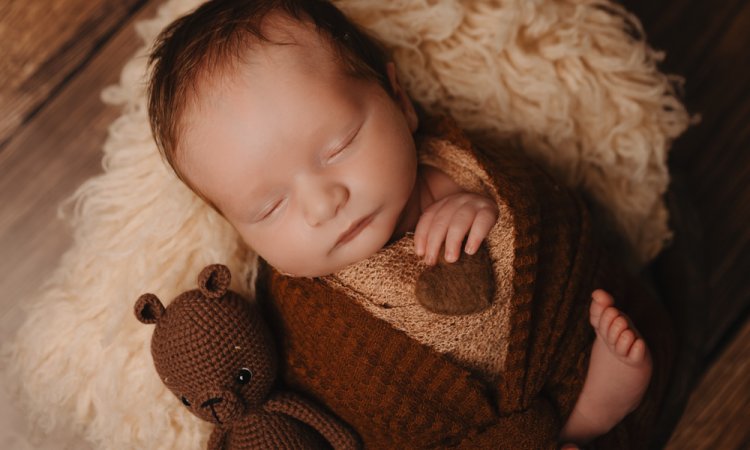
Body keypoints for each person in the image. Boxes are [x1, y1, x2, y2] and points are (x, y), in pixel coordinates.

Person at [147, 0, 657, 447]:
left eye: (339, 146)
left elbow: (542, 213)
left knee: (607, 322)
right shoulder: (297, 319)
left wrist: (479, 205)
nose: (323, 205)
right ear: (241, 233)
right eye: (269, 207)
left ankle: (585, 415)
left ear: (400, 102)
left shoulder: (454, 171)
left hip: (561, 363)